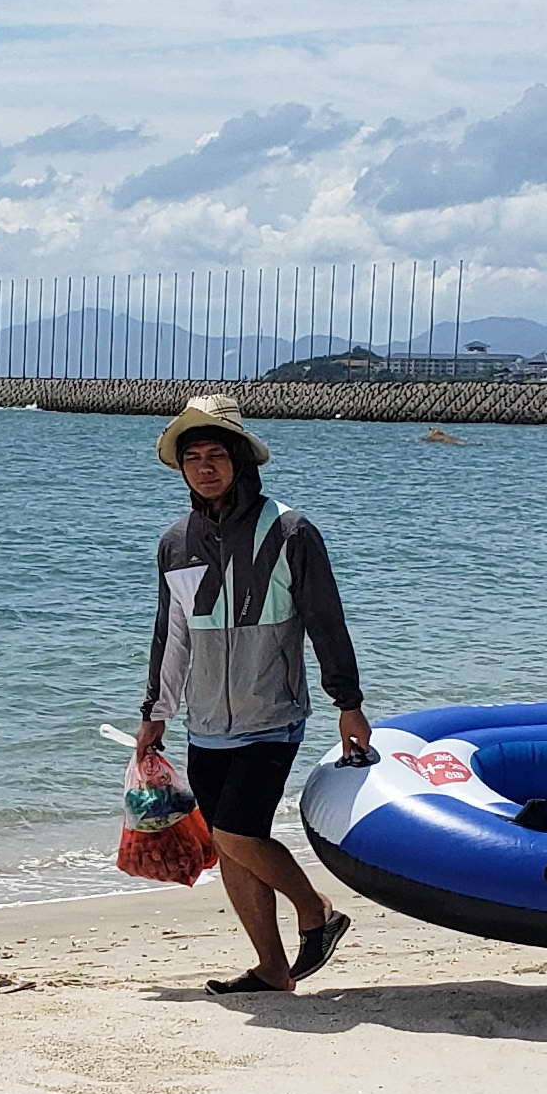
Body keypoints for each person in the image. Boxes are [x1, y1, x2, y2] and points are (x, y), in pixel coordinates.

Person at [138, 395, 371, 994]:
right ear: (181, 469)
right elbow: (173, 638)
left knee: (236, 833)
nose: (206, 467)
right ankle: (272, 968)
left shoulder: (290, 531)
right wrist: (156, 714)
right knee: (232, 848)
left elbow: (326, 620)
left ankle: (316, 910)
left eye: (217, 455)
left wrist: (349, 703)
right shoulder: (176, 542)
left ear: (241, 462)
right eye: (194, 458)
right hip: (206, 720)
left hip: (273, 713)